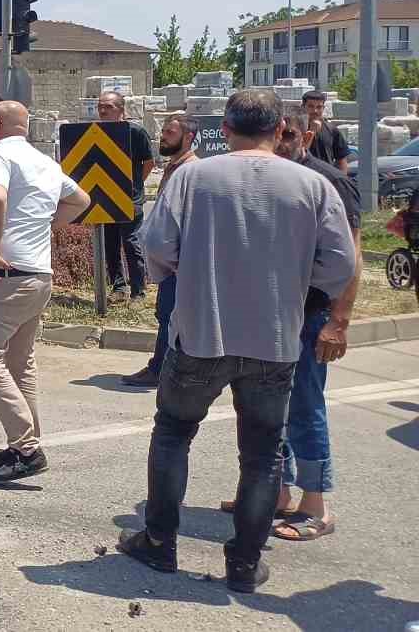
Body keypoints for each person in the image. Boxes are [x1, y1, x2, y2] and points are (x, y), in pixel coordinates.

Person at [117, 90, 356, 594]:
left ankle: (160, 543)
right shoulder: (312, 186)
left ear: (224, 130)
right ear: (279, 130)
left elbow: (156, 245)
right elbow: (339, 265)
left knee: (173, 433)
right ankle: (244, 564)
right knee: (264, 453)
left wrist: (183, 270)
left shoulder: (193, 177)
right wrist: (292, 274)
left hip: (201, 333)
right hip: (274, 339)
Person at [0, 101, 91, 483]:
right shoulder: (44, 162)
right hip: (37, 274)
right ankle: (25, 441)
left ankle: (27, 447)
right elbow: (81, 200)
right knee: (21, 363)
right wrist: (43, 228)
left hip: (4, 276)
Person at [263, 115, 357, 544]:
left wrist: (339, 323)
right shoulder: (272, 177)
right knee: (270, 410)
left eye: (289, 136)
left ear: (308, 136)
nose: (280, 144)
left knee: (304, 407)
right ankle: (278, 493)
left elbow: (351, 258)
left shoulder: (328, 182)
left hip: (310, 314)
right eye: (276, 135)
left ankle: (315, 503)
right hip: (270, 314)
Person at [121, 114, 200, 388]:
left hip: (179, 262)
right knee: (167, 315)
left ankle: (161, 370)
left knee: (170, 315)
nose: (163, 136)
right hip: (171, 262)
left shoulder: (190, 171)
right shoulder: (173, 168)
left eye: (169, 132)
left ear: (188, 137)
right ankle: (166, 368)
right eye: (163, 131)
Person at [95, 91, 155, 303]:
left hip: (130, 199)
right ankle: (118, 288)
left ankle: (138, 291)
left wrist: (133, 186)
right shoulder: (95, 132)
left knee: (131, 243)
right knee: (109, 244)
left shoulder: (136, 132)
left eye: (108, 106)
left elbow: (148, 163)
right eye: (100, 106)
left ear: (121, 110)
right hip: (105, 199)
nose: (103, 110)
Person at [303, 91, 350, 171]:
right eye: (311, 106)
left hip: (326, 178)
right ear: (303, 107)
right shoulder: (297, 129)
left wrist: (340, 180)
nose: (315, 111)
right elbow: (299, 154)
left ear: (323, 108)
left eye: (319, 107)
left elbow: (341, 159)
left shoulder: (332, 130)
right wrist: (312, 131)